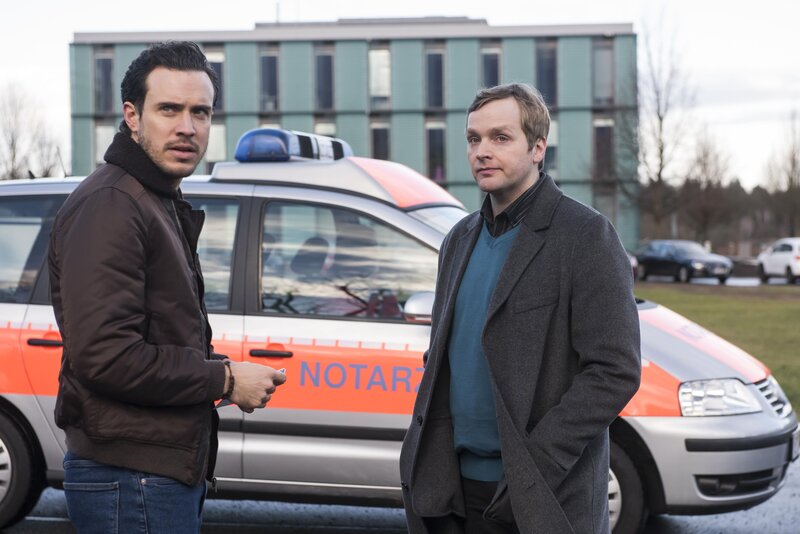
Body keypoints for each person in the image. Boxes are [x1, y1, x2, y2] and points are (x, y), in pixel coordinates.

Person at [49, 41, 286, 533]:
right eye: (169, 109)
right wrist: (224, 380)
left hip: (149, 472)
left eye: (201, 112)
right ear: (132, 116)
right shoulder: (113, 204)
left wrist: (224, 371)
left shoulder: (153, 198)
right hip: (130, 476)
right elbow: (107, 357)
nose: (188, 127)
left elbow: (159, 337)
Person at [399, 83, 641, 534]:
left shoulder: (586, 235)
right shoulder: (458, 239)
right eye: (474, 139)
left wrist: (535, 465)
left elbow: (615, 370)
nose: (482, 151)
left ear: (538, 148)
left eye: (500, 137)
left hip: (542, 497)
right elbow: (444, 357)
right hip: (451, 494)